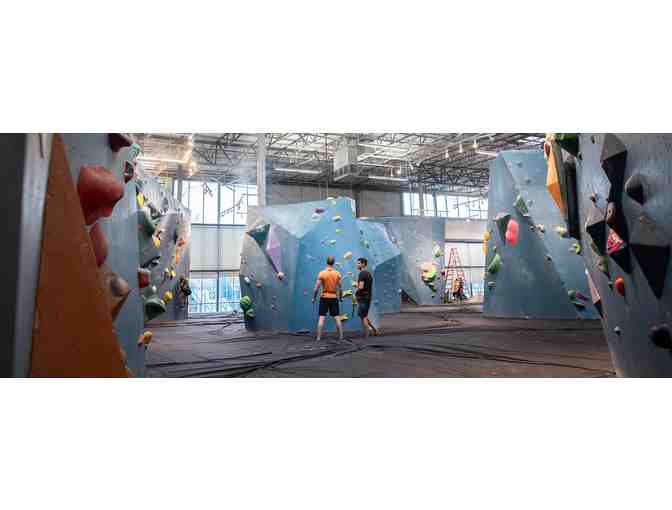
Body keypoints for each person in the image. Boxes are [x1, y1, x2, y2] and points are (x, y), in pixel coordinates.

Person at [312, 256, 343, 342]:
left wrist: (313, 298)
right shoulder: (337, 273)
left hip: (324, 297)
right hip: (334, 297)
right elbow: (340, 288)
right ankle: (341, 337)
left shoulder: (322, 273)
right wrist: (340, 298)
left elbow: (316, 288)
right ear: (333, 263)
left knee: (321, 318)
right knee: (337, 317)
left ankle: (318, 338)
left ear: (327, 262)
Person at [356, 257, 380, 337]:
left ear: (363, 264)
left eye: (359, 263)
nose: (357, 265)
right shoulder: (368, 274)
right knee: (364, 315)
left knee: (363, 316)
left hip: (363, 297)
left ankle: (366, 335)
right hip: (367, 297)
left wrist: (356, 293)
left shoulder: (362, 273)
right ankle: (375, 330)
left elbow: (361, 287)